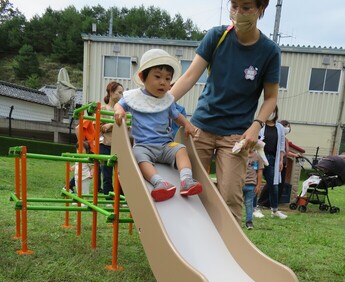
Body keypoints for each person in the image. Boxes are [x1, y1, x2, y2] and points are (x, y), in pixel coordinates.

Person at [170, 0, 280, 224]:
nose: (239, 13)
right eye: (235, 5)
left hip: (236, 136)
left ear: (261, 9)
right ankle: (184, 246)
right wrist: (158, 103)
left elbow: (271, 97)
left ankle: (229, 254)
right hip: (200, 128)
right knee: (186, 187)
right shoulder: (216, 37)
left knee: (230, 196)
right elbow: (190, 77)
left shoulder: (269, 51)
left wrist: (256, 125)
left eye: (247, 7)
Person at [114, 48, 202, 202]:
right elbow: (119, 105)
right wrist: (119, 111)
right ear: (142, 77)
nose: (163, 82)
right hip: (144, 146)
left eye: (168, 79)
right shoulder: (134, 97)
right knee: (138, 157)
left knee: (181, 149)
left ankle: (186, 180)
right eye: (157, 77)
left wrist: (187, 124)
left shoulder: (167, 100)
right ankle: (159, 183)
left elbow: (177, 116)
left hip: (165, 145)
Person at [258, 106, 287, 219]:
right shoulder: (260, 125)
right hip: (259, 156)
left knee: (274, 185)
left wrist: (280, 160)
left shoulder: (279, 127)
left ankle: (274, 210)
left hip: (272, 159)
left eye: (272, 112)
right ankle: (256, 208)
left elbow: (281, 145)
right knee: (256, 182)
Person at [100, 81, 124, 202]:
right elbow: (100, 127)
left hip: (119, 146)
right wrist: (112, 125)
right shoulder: (103, 109)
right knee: (107, 174)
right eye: (119, 92)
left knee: (121, 174)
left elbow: (127, 125)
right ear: (111, 92)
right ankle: (109, 199)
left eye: (122, 93)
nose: (121, 95)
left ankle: (120, 198)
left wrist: (111, 124)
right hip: (105, 144)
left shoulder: (121, 110)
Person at [243, 149, 264, 229]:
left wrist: (258, 185)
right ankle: (234, 220)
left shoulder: (258, 156)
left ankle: (249, 222)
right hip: (240, 184)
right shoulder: (241, 154)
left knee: (249, 204)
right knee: (236, 203)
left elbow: (259, 172)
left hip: (251, 185)